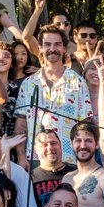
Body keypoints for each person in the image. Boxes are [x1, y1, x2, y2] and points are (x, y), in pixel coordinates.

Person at [15, 24, 93, 164]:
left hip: (69, 159)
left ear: (64, 48)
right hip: (35, 158)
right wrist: (21, 156)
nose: (52, 49)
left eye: (57, 44)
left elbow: (85, 124)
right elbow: (21, 124)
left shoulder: (78, 82)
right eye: (47, 44)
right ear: (40, 48)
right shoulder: (28, 84)